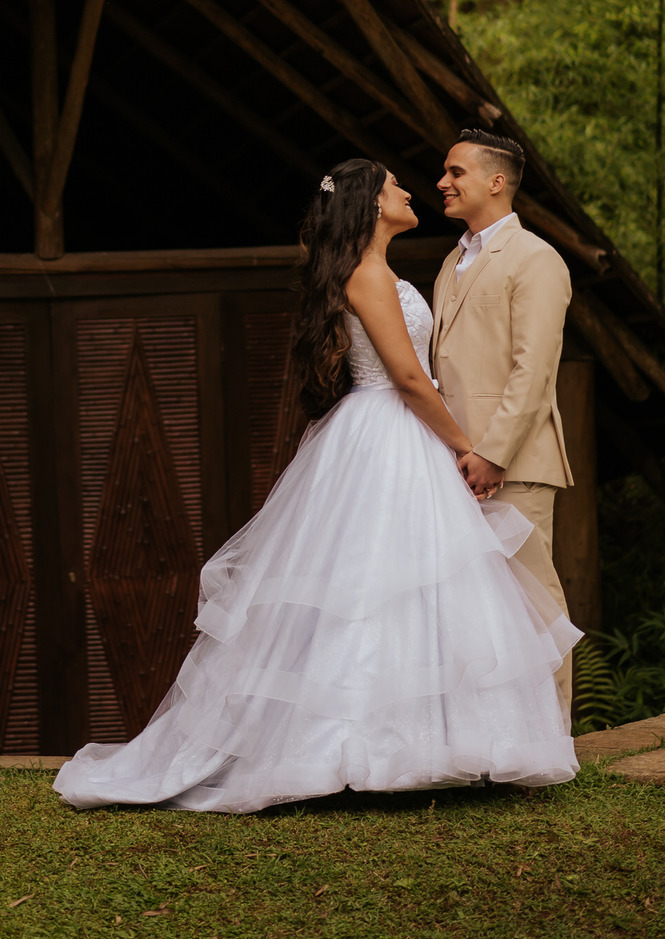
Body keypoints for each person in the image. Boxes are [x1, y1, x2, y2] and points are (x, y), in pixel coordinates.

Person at [54, 159, 580, 813]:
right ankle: (350, 745)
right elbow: (410, 378)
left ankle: (435, 744)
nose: (409, 191)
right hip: (389, 430)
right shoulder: (367, 274)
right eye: (394, 186)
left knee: (418, 593)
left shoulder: (381, 270)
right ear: (369, 204)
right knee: (369, 592)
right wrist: (467, 447)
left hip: (395, 432)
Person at [433, 128, 576, 709]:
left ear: (496, 182)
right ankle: (499, 738)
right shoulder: (453, 260)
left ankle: (554, 739)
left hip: (512, 461)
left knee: (532, 599)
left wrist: (492, 452)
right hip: (453, 460)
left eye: (455, 172)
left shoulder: (536, 258)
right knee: (476, 605)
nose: (442, 183)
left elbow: (534, 369)